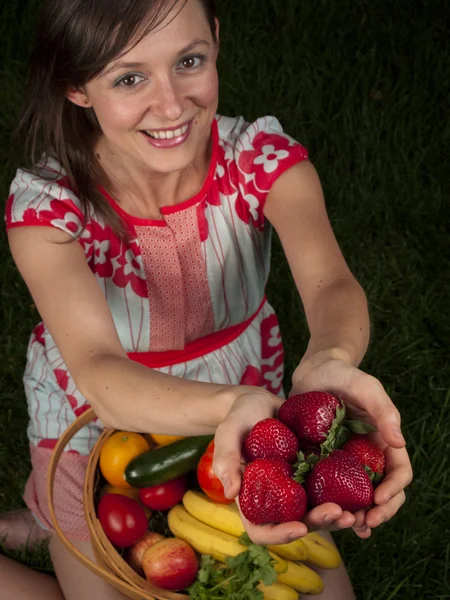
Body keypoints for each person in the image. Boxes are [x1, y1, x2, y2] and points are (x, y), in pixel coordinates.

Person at [1, 0, 412, 598]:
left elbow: (334, 286)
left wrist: (330, 362)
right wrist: (233, 406)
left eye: (189, 61)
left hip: (245, 405)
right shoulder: (49, 210)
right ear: (76, 87)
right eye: (129, 78)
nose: (171, 106)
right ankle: (54, 516)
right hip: (96, 422)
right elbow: (97, 369)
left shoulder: (260, 161)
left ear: (216, 40)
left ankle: (51, 531)